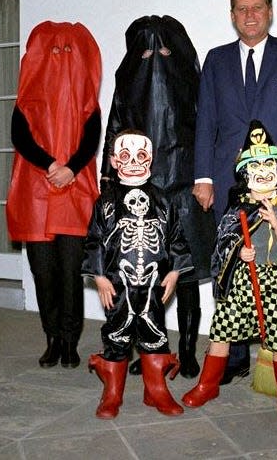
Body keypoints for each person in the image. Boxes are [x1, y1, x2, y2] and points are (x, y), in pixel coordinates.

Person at [192, 0, 277, 384]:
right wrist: (202, 177)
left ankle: (275, 351)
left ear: (270, 12)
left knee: (276, 263)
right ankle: (231, 358)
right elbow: (205, 121)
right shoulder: (215, 59)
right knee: (230, 261)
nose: (250, 15)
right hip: (226, 179)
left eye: (257, 8)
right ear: (232, 16)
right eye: (242, 9)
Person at [102, 15, 215, 379]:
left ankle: (186, 349)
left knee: (185, 274)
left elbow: (207, 129)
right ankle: (152, 346)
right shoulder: (127, 84)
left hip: (185, 187)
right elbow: (115, 129)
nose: (157, 58)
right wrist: (108, 180)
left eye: (165, 49)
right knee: (142, 277)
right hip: (139, 191)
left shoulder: (193, 83)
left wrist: (205, 178)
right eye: (148, 51)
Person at [183, 120, 277, 423]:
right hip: (243, 280)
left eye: (268, 165)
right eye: (255, 166)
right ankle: (207, 385)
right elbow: (223, 246)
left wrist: (276, 222)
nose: (262, 171)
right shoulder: (237, 210)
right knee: (222, 331)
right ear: (245, 174)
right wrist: (239, 253)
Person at [6, 21, 102, 369]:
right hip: (36, 193)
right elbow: (20, 136)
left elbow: (91, 138)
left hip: (73, 193)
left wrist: (71, 169)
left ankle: (70, 339)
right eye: (53, 51)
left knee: (70, 271)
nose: (60, 57)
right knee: (43, 271)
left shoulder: (87, 100)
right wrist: (50, 164)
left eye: (68, 51)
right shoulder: (26, 99)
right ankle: (52, 338)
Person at [84, 130, 193, 419]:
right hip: (118, 283)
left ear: (151, 159)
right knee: (117, 334)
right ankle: (112, 393)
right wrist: (99, 276)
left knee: (154, 333)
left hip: (154, 283)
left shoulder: (162, 200)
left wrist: (174, 273)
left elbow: (176, 238)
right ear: (113, 161)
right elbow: (94, 240)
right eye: (125, 155)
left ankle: (155, 389)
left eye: (141, 155)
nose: (133, 161)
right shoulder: (105, 202)